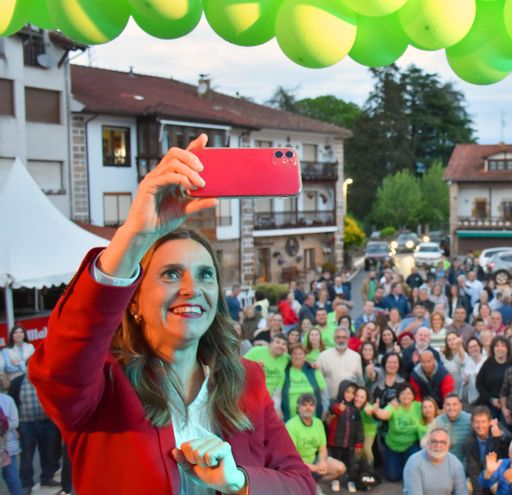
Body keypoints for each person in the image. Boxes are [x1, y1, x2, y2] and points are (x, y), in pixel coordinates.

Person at [29, 135, 313, 493]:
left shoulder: (247, 381)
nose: (192, 288)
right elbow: (59, 367)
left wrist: (239, 481)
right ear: (133, 301)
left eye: (205, 274)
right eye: (171, 274)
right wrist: (135, 235)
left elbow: (302, 484)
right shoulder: (101, 388)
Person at [8, 374, 59, 493]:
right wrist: (17, 427)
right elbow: (13, 401)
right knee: (26, 457)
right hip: (27, 424)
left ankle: (47, 478)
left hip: (46, 422)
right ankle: (26, 483)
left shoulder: (46, 380)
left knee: (48, 453)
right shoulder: (17, 382)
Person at [286, 393, 346, 488]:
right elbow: (290, 458)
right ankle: (303, 487)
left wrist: (322, 462)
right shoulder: (291, 425)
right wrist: (314, 468)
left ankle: (313, 485)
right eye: (304, 405)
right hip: (296, 466)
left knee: (340, 468)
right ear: (298, 407)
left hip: (314, 461)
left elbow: (322, 448)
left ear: (315, 407)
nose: (308, 408)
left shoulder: (318, 423)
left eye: (311, 405)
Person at [371, 383, 424, 482]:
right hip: (393, 445)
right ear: (398, 396)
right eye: (403, 394)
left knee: (412, 475)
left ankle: (408, 462)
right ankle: (403, 462)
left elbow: (432, 410)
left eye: (409, 393)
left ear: (413, 396)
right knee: (393, 477)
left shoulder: (418, 406)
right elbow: (384, 414)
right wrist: (377, 411)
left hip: (411, 445)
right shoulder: (394, 406)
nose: (406, 396)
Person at [403, 427, 468, 495]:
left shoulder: (456, 464)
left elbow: (462, 492)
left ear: (448, 445)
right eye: (434, 441)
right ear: (427, 443)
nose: (438, 445)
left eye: (443, 442)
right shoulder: (414, 462)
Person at [463, 407, 512, 495]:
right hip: (482, 474)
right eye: (477, 422)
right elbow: (474, 471)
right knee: (467, 486)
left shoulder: (496, 428)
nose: (480, 425)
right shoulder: (469, 443)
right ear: (472, 424)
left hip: (498, 473)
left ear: (489, 422)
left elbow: (511, 441)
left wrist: (500, 435)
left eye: (483, 422)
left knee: (496, 486)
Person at [280, 344, 329, 421]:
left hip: (313, 417)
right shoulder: (285, 372)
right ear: (291, 356)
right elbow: (277, 394)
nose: (297, 356)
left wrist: (325, 409)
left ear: (305, 356)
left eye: (300, 354)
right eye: (294, 353)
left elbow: (324, 392)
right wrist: (278, 410)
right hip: (290, 418)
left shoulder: (313, 370)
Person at [317, 328, 364, 398]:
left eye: (344, 337)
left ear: (348, 339)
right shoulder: (323, 356)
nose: (341, 340)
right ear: (334, 339)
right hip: (330, 400)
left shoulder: (356, 357)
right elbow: (318, 380)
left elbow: (360, 381)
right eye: (338, 337)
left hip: (350, 402)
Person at [244, 333, 290, 400]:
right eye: (278, 342)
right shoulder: (256, 351)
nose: (281, 346)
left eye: (284, 344)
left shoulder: (286, 358)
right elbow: (240, 366)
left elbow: (300, 361)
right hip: (252, 396)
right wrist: (254, 367)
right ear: (270, 343)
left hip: (272, 399)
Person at [430, 394, 472, 463]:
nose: (451, 408)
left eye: (454, 404)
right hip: (444, 463)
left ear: (460, 406)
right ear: (444, 406)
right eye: (448, 405)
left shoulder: (470, 419)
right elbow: (427, 440)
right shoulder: (438, 421)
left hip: (466, 463)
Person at [0, 389, 23, 495]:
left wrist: (3, 426)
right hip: (4, 444)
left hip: (8, 445)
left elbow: (15, 422)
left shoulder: (7, 400)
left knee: (11, 475)